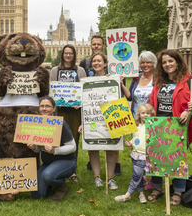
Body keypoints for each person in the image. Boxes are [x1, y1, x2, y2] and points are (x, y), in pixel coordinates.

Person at [148, 49, 192, 205]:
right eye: (164, 62)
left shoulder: (190, 79)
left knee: (177, 159)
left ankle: (178, 191)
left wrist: (189, 111)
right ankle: (157, 188)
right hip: (158, 125)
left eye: (170, 61)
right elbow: (152, 101)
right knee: (156, 156)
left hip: (179, 125)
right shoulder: (159, 81)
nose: (167, 64)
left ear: (177, 61)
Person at [78, 52, 119, 189]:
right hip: (93, 117)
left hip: (110, 116)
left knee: (111, 148)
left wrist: (120, 81)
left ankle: (110, 178)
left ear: (105, 63)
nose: (96, 63)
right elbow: (83, 103)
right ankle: (97, 177)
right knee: (93, 148)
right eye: (94, 61)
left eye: (99, 61)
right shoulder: (86, 81)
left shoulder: (113, 78)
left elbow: (123, 97)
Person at [28, 96, 77, 201]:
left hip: (66, 161)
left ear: (54, 109)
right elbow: (39, 149)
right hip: (47, 163)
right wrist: (34, 147)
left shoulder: (61, 124)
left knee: (48, 175)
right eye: (42, 106)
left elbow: (73, 147)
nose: (44, 109)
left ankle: (61, 186)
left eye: (47, 106)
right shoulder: (37, 124)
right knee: (37, 195)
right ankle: (51, 181)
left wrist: (55, 150)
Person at [50, 45, 85, 182]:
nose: (68, 55)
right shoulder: (55, 70)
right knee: (59, 140)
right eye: (66, 53)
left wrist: (80, 102)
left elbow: (83, 90)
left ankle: (72, 170)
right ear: (62, 55)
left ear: (74, 55)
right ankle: (59, 168)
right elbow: (52, 90)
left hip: (75, 112)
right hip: (60, 111)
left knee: (73, 140)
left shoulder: (80, 70)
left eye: (71, 53)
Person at [114, 103, 155, 204]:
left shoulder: (152, 127)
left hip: (143, 156)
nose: (145, 115)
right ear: (139, 114)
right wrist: (130, 142)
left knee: (136, 176)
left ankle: (128, 195)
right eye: (143, 113)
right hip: (134, 154)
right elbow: (136, 139)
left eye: (148, 113)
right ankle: (141, 194)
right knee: (138, 176)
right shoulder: (136, 126)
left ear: (152, 114)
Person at [122, 51, 156, 116]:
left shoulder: (158, 79)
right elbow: (130, 97)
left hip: (151, 120)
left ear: (153, 63)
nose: (145, 65)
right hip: (136, 119)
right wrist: (121, 85)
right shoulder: (136, 78)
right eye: (143, 62)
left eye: (148, 62)